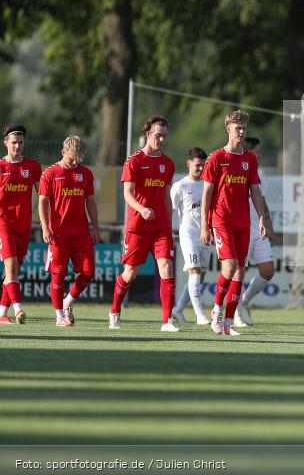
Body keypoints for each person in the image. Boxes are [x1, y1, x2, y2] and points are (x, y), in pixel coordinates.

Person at [200, 110, 268, 337]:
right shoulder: (217, 158)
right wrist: (204, 224)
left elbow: (255, 191)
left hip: (243, 222)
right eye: (237, 127)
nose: (241, 131)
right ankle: (217, 311)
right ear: (228, 129)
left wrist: (261, 218)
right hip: (221, 220)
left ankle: (228, 323)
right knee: (228, 267)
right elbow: (207, 194)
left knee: (240, 272)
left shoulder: (249, 159)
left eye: (244, 128)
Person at [109, 115, 178, 332]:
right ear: (148, 134)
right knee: (130, 274)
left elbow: (166, 196)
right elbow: (127, 194)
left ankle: (167, 321)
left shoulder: (167, 164)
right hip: (138, 226)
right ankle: (114, 312)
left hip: (161, 228)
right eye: (158, 135)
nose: (161, 140)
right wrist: (142, 209)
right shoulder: (134, 161)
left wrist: (169, 219)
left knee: (166, 268)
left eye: (164, 136)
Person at [38, 136, 99, 327]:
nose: (74, 162)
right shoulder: (50, 174)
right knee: (58, 274)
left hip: (81, 234)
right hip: (58, 235)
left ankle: (67, 301)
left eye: (78, 159)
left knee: (89, 272)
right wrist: (45, 226)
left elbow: (90, 201)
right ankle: (59, 316)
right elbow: (42, 201)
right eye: (71, 158)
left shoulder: (86, 174)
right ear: (63, 152)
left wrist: (95, 226)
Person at [0, 124, 41, 325]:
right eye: (14, 142)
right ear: (5, 142)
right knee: (10, 267)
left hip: (23, 226)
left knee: (14, 271)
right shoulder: (0, 167)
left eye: (21, 142)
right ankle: (18, 309)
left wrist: (46, 220)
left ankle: (1, 313)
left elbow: (43, 195)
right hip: (3, 223)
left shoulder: (32, 166)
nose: (17, 146)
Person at [235, 136, 275, 327]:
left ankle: (243, 301)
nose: (259, 156)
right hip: (240, 227)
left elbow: (263, 201)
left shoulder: (261, 174)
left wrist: (269, 225)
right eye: (256, 153)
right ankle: (234, 312)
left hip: (257, 227)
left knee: (268, 270)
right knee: (239, 271)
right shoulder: (237, 169)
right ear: (247, 151)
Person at [171, 147, 211, 325]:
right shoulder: (180, 186)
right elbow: (171, 211)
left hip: (205, 235)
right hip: (187, 235)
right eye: (197, 165)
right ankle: (200, 315)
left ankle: (178, 309)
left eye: (203, 165)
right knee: (194, 271)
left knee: (200, 276)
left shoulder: (207, 185)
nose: (201, 169)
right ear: (188, 164)